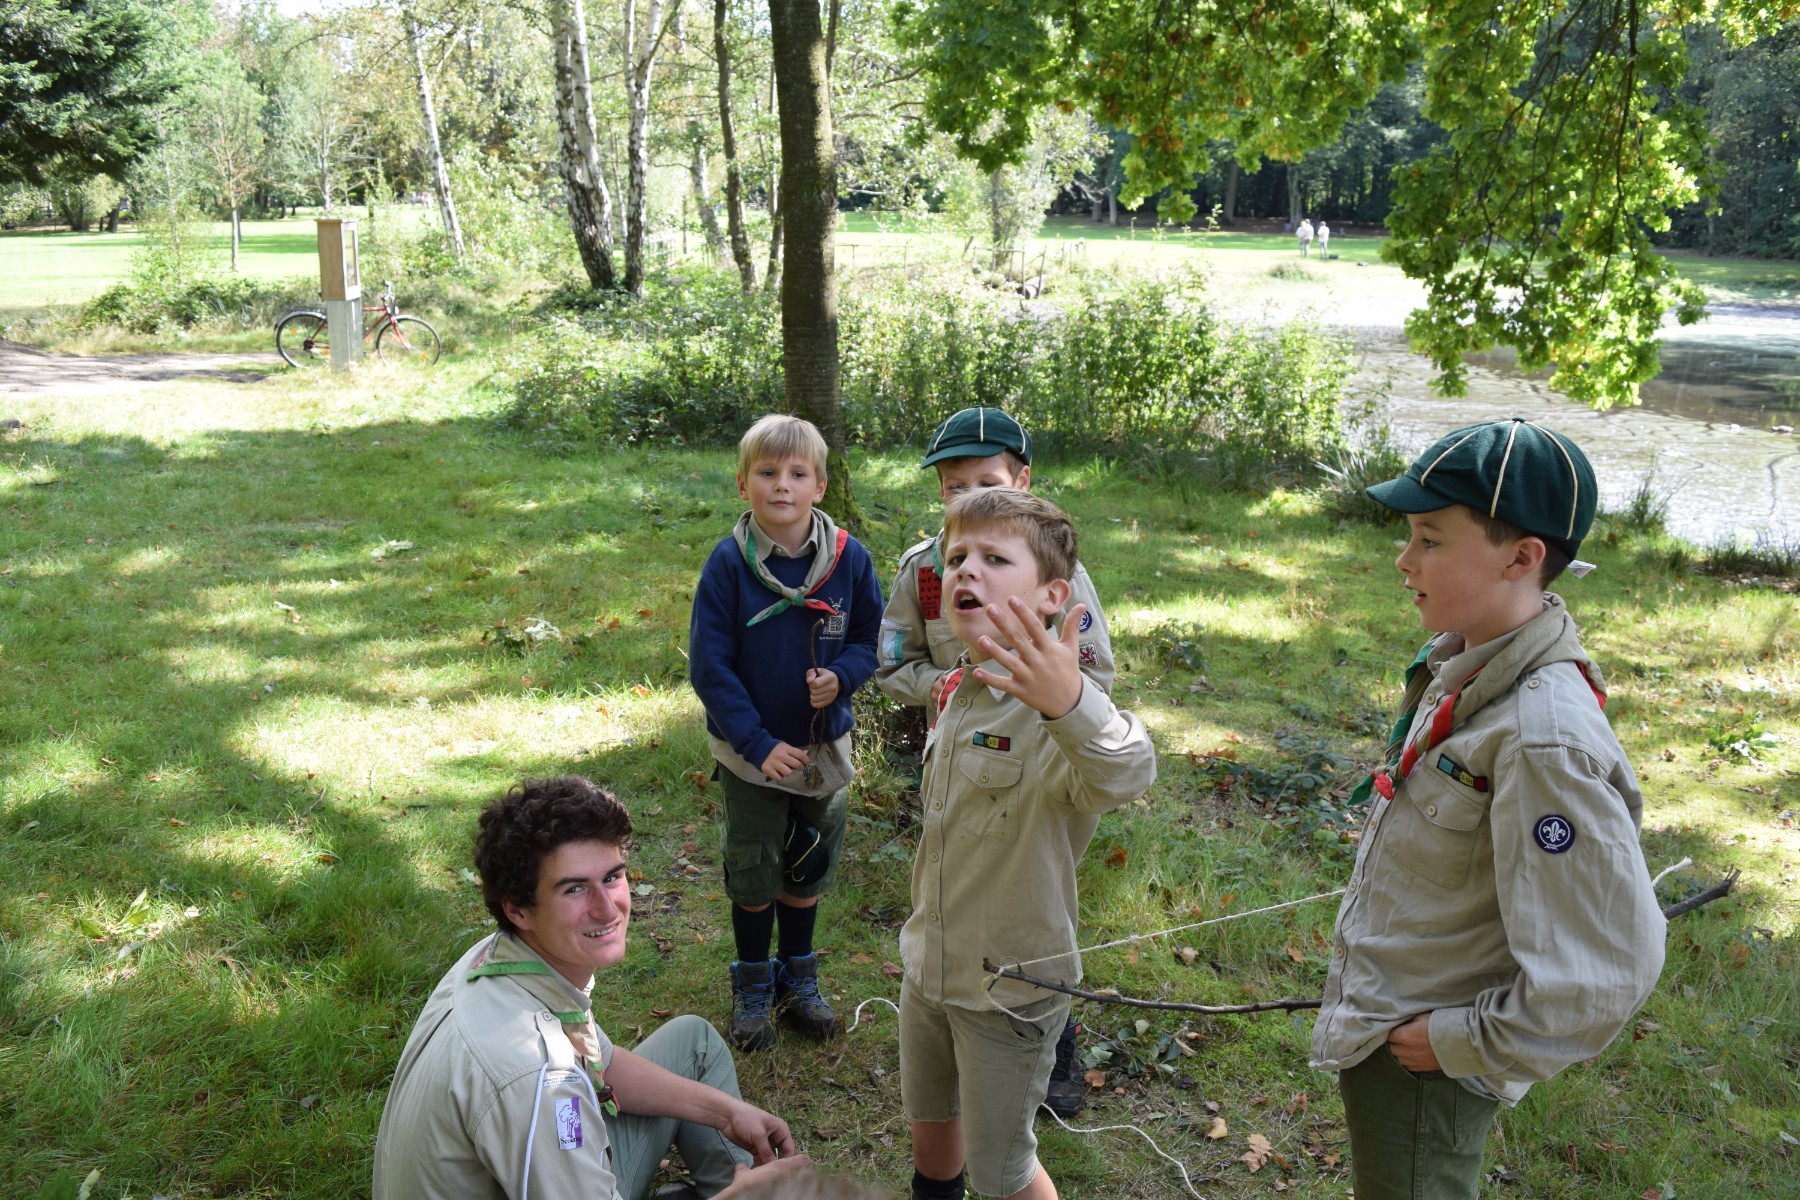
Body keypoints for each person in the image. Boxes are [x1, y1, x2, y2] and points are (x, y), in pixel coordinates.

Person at [1309, 419, 1667, 1200]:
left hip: (1427, 1061)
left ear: (1521, 556)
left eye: (1431, 540)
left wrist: (1462, 1040)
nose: (1404, 561)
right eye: (1409, 537)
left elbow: (1610, 968)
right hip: (1395, 1023)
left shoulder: (1543, 739)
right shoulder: (1469, 664)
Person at [372, 776, 812, 1200]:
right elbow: (544, 1084)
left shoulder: (496, 958)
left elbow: (605, 1064)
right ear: (519, 909)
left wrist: (728, 1112)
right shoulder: (537, 1076)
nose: (607, 909)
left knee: (694, 1043)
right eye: (575, 888)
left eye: (612, 877)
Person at [901, 488, 1157, 1200]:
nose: (965, 572)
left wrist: (1068, 702)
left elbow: (1128, 770)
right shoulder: (963, 686)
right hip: (930, 967)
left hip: (1008, 991)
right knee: (930, 1123)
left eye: (993, 557)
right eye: (956, 558)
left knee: (1002, 1170)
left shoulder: (1057, 706)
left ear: (1052, 594)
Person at [873, 404, 1114, 1117]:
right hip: (957, 755)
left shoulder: (1053, 574)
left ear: (1022, 479)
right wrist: (940, 684)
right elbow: (892, 660)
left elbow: (1094, 672)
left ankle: (1051, 1035)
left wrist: (1051, 691)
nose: (967, 498)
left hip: (1038, 763)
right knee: (955, 890)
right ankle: (948, 1021)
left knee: (1030, 907)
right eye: (952, 487)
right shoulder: (925, 571)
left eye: (985, 481)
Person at [688, 414, 884, 1051]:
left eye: (797, 474)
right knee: (754, 864)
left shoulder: (849, 561)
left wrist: (843, 677)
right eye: (767, 474)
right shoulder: (728, 565)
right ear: (743, 485)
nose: (782, 486)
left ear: (820, 486)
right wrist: (756, 742)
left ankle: (798, 975)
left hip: (824, 750)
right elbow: (709, 666)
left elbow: (869, 640)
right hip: (753, 756)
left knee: (808, 862)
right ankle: (750, 980)